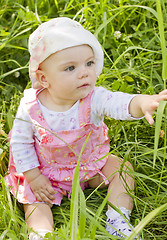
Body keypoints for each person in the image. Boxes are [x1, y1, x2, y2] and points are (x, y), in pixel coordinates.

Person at [5, 17, 167, 240]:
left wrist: (141, 103)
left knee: (122, 169)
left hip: (90, 166)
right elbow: (20, 143)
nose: (84, 73)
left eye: (89, 63)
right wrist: (33, 176)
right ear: (44, 78)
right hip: (46, 174)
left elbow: (119, 103)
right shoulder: (30, 107)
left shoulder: (94, 98)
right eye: (70, 68)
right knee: (34, 201)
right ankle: (41, 234)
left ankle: (118, 221)